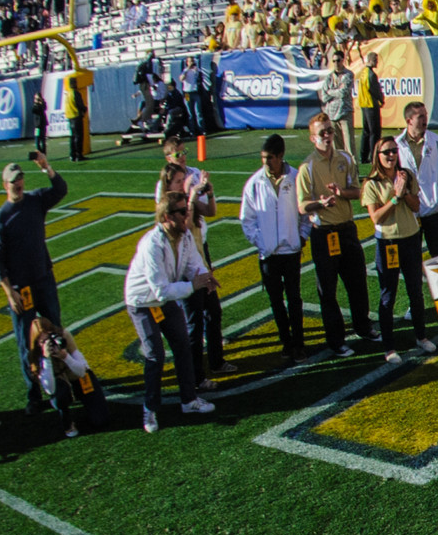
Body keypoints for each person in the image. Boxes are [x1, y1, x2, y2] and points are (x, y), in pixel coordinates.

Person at [122, 196, 216, 433]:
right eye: (182, 212)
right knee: (155, 354)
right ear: (166, 217)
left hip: (165, 298)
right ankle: (150, 408)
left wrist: (205, 276)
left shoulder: (183, 237)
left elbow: (193, 263)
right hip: (143, 302)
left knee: (182, 345)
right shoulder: (151, 245)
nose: (187, 215)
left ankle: (189, 400)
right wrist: (194, 286)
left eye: (187, 210)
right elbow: (160, 291)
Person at [0, 150, 67, 415]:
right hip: (22, 289)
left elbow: (60, 190)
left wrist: (47, 167)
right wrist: (8, 292)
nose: (18, 183)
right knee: (26, 342)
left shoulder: (34, 200)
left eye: (20, 178)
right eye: (13, 180)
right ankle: (33, 393)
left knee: (56, 329)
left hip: (44, 278)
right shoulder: (1, 218)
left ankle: (64, 377)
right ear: (5, 186)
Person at [294, 112, 374, 358]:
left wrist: (340, 193)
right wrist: (319, 203)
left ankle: (363, 326)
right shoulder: (306, 168)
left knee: (357, 282)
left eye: (330, 131)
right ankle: (336, 340)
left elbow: (357, 191)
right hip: (324, 232)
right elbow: (301, 206)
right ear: (312, 138)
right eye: (323, 133)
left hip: (346, 228)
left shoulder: (345, 158)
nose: (328, 136)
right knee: (328, 290)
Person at [362, 135, 434, 362]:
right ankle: (389, 346)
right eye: (386, 152)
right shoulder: (371, 183)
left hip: (410, 238)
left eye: (394, 151)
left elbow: (416, 206)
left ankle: (421, 336)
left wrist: (404, 192)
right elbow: (376, 218)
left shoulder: (406, 175)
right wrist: (394, 197)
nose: (391, 155)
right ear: (378, 156)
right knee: (388, 294)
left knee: (415, 290)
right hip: (388, 243)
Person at [157, 138, 223, 379]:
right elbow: (182, 225)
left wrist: (207, 193)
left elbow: (207, 212)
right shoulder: (171, 207)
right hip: (183, 264)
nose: (183, 157)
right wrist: (193, 195)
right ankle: (195, 375)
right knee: (194, 322)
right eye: (177, 181)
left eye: (184, 152)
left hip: (197, 256)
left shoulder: (190, 186)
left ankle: (214, 362)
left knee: (213, 312)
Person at [239, 134, 308, 360]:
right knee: (276, 301)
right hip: (268, 255)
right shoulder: (254, 183)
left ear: (280, 156)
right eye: (263, 158)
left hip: (291, 251)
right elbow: (247, 220)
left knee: (294, 298)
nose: (265, 163)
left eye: (269, 158)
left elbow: (306, 212)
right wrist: (262, 243)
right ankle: (286, 342)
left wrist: (301, 237)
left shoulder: (296, 178)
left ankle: (299, 341)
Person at [28, 313, 107, 436]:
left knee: (100, 420)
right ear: (37, 342)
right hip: (59, 383)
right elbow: (49, 389)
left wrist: (65, 357)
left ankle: (87, 402)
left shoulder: (64, 337)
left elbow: (82, 371)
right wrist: (46, 359)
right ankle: (66, 418)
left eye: (49, 337)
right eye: (43, 341)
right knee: (58, 396)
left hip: (77, 377)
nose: (49, 343)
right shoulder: (36, 354)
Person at [396, 102, 438, 259]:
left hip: (434, 208)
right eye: (420, 116)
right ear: (409, 121)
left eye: (425, 115)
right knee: (411, 256)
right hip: (409, 210)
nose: (425, 119)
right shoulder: (397, 144)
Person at [353, 48, 384, 162]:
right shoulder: (371, 74)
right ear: (371, 60)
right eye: (375, 60)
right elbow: (373, 89)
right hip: (371, 104)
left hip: (363, 104)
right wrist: (380, 98)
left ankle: (363, 155)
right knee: (374, 132)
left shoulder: (363, 72)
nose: (377, 62)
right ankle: (373, 156)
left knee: (366, 131)